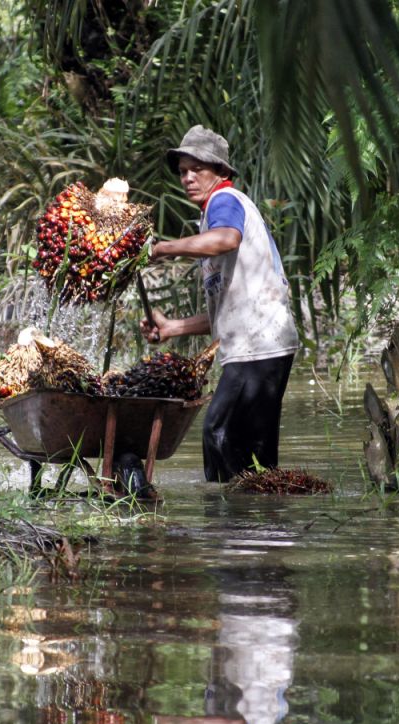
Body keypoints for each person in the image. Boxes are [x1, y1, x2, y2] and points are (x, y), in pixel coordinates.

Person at [141, 125, 299, 481]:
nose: (188, 178)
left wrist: (163, 248)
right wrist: (173, 328)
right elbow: (228, 309)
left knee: (218, 432)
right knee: (254, 456)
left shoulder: (224, 202)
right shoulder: (210, 218)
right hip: (261, 344)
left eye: (198, 169)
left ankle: (225, 527)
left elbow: (227, 238)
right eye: (183, 171)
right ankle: (260, 528)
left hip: (259, 346)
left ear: (222, 173)